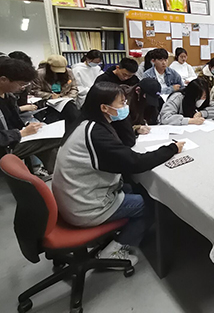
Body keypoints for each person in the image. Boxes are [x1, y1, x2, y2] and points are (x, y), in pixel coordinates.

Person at [52, 82, 184, 266]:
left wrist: (126, 123)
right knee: (152, 205)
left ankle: (120, 231)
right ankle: (114, 250)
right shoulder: (96, 133)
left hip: (75, 196)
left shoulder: (86, 122)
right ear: (104, 108)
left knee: (133, 187)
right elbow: (135, 163)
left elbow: (127, 141)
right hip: (86, 206)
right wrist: (171, 149)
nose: (125, 106)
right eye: (122, 103)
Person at [0, 58, 60, 178]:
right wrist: (21, 133)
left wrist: (28, 127)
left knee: (51, 142)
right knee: (54, 141)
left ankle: (55, 176)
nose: (23, 88)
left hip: (13, 139)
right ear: (3, 79)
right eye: (21, 84)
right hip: (5, 146)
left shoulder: (8, 96)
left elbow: (13, 121)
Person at [31, 54, 80, 127]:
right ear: (49, 66)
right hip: (47, 102)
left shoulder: (69, 72)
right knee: (53, 116)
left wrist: (66, 98)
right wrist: (50, 96)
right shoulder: (39, 74)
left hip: (65, 100)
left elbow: (74, 88)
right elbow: (35, 91)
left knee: (71, 110)